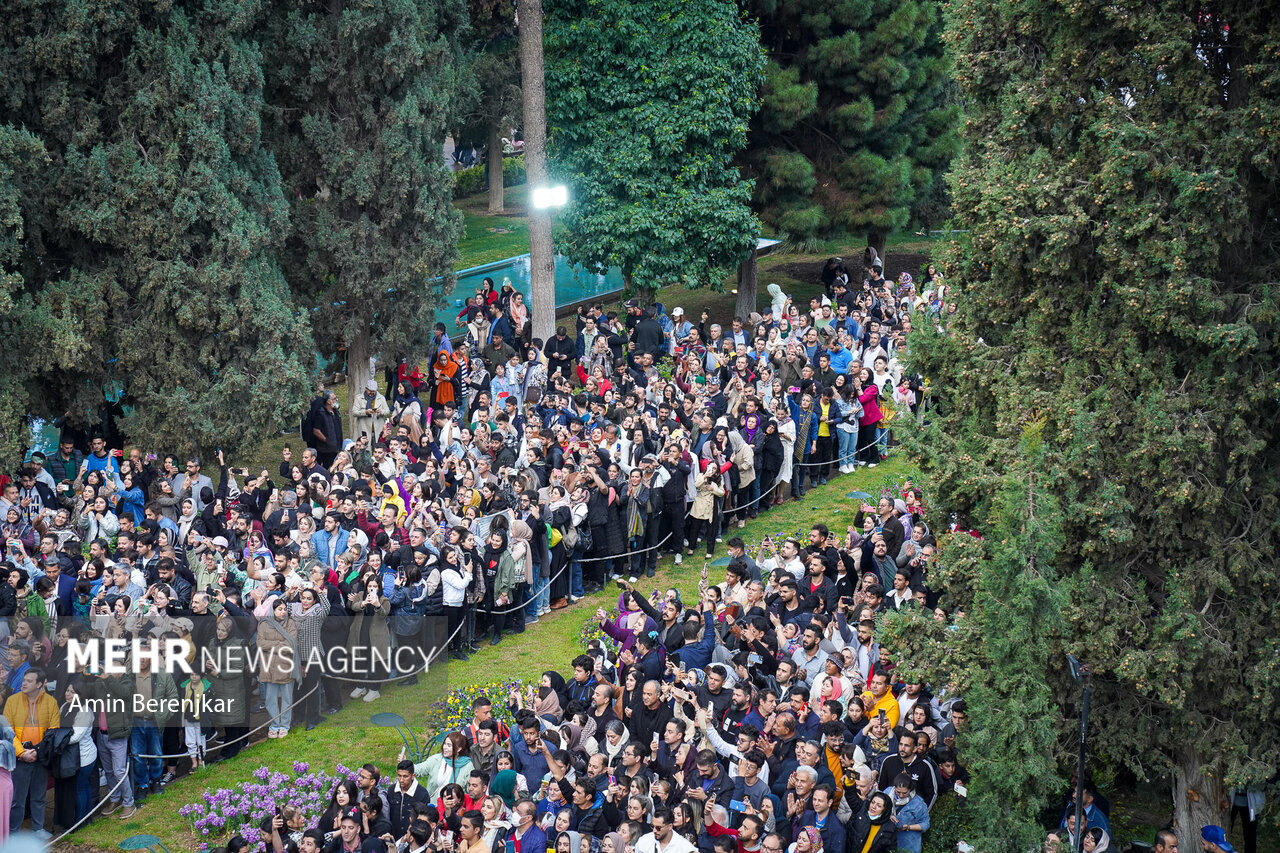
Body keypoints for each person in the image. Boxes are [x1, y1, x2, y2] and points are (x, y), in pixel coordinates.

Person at [3, 666, 58, 838]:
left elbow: (53, 730)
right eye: (24, 679)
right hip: (20, 757)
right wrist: (22, 753)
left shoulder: (51, 702)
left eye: (29, 681)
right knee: (17, 799)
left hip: (40, 757)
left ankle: (38, 829)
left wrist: (38, 752)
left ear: (40, 684)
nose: (24, 683)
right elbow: (8, 732)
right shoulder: (12, 701)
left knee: (39, 795)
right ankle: (12, 832)